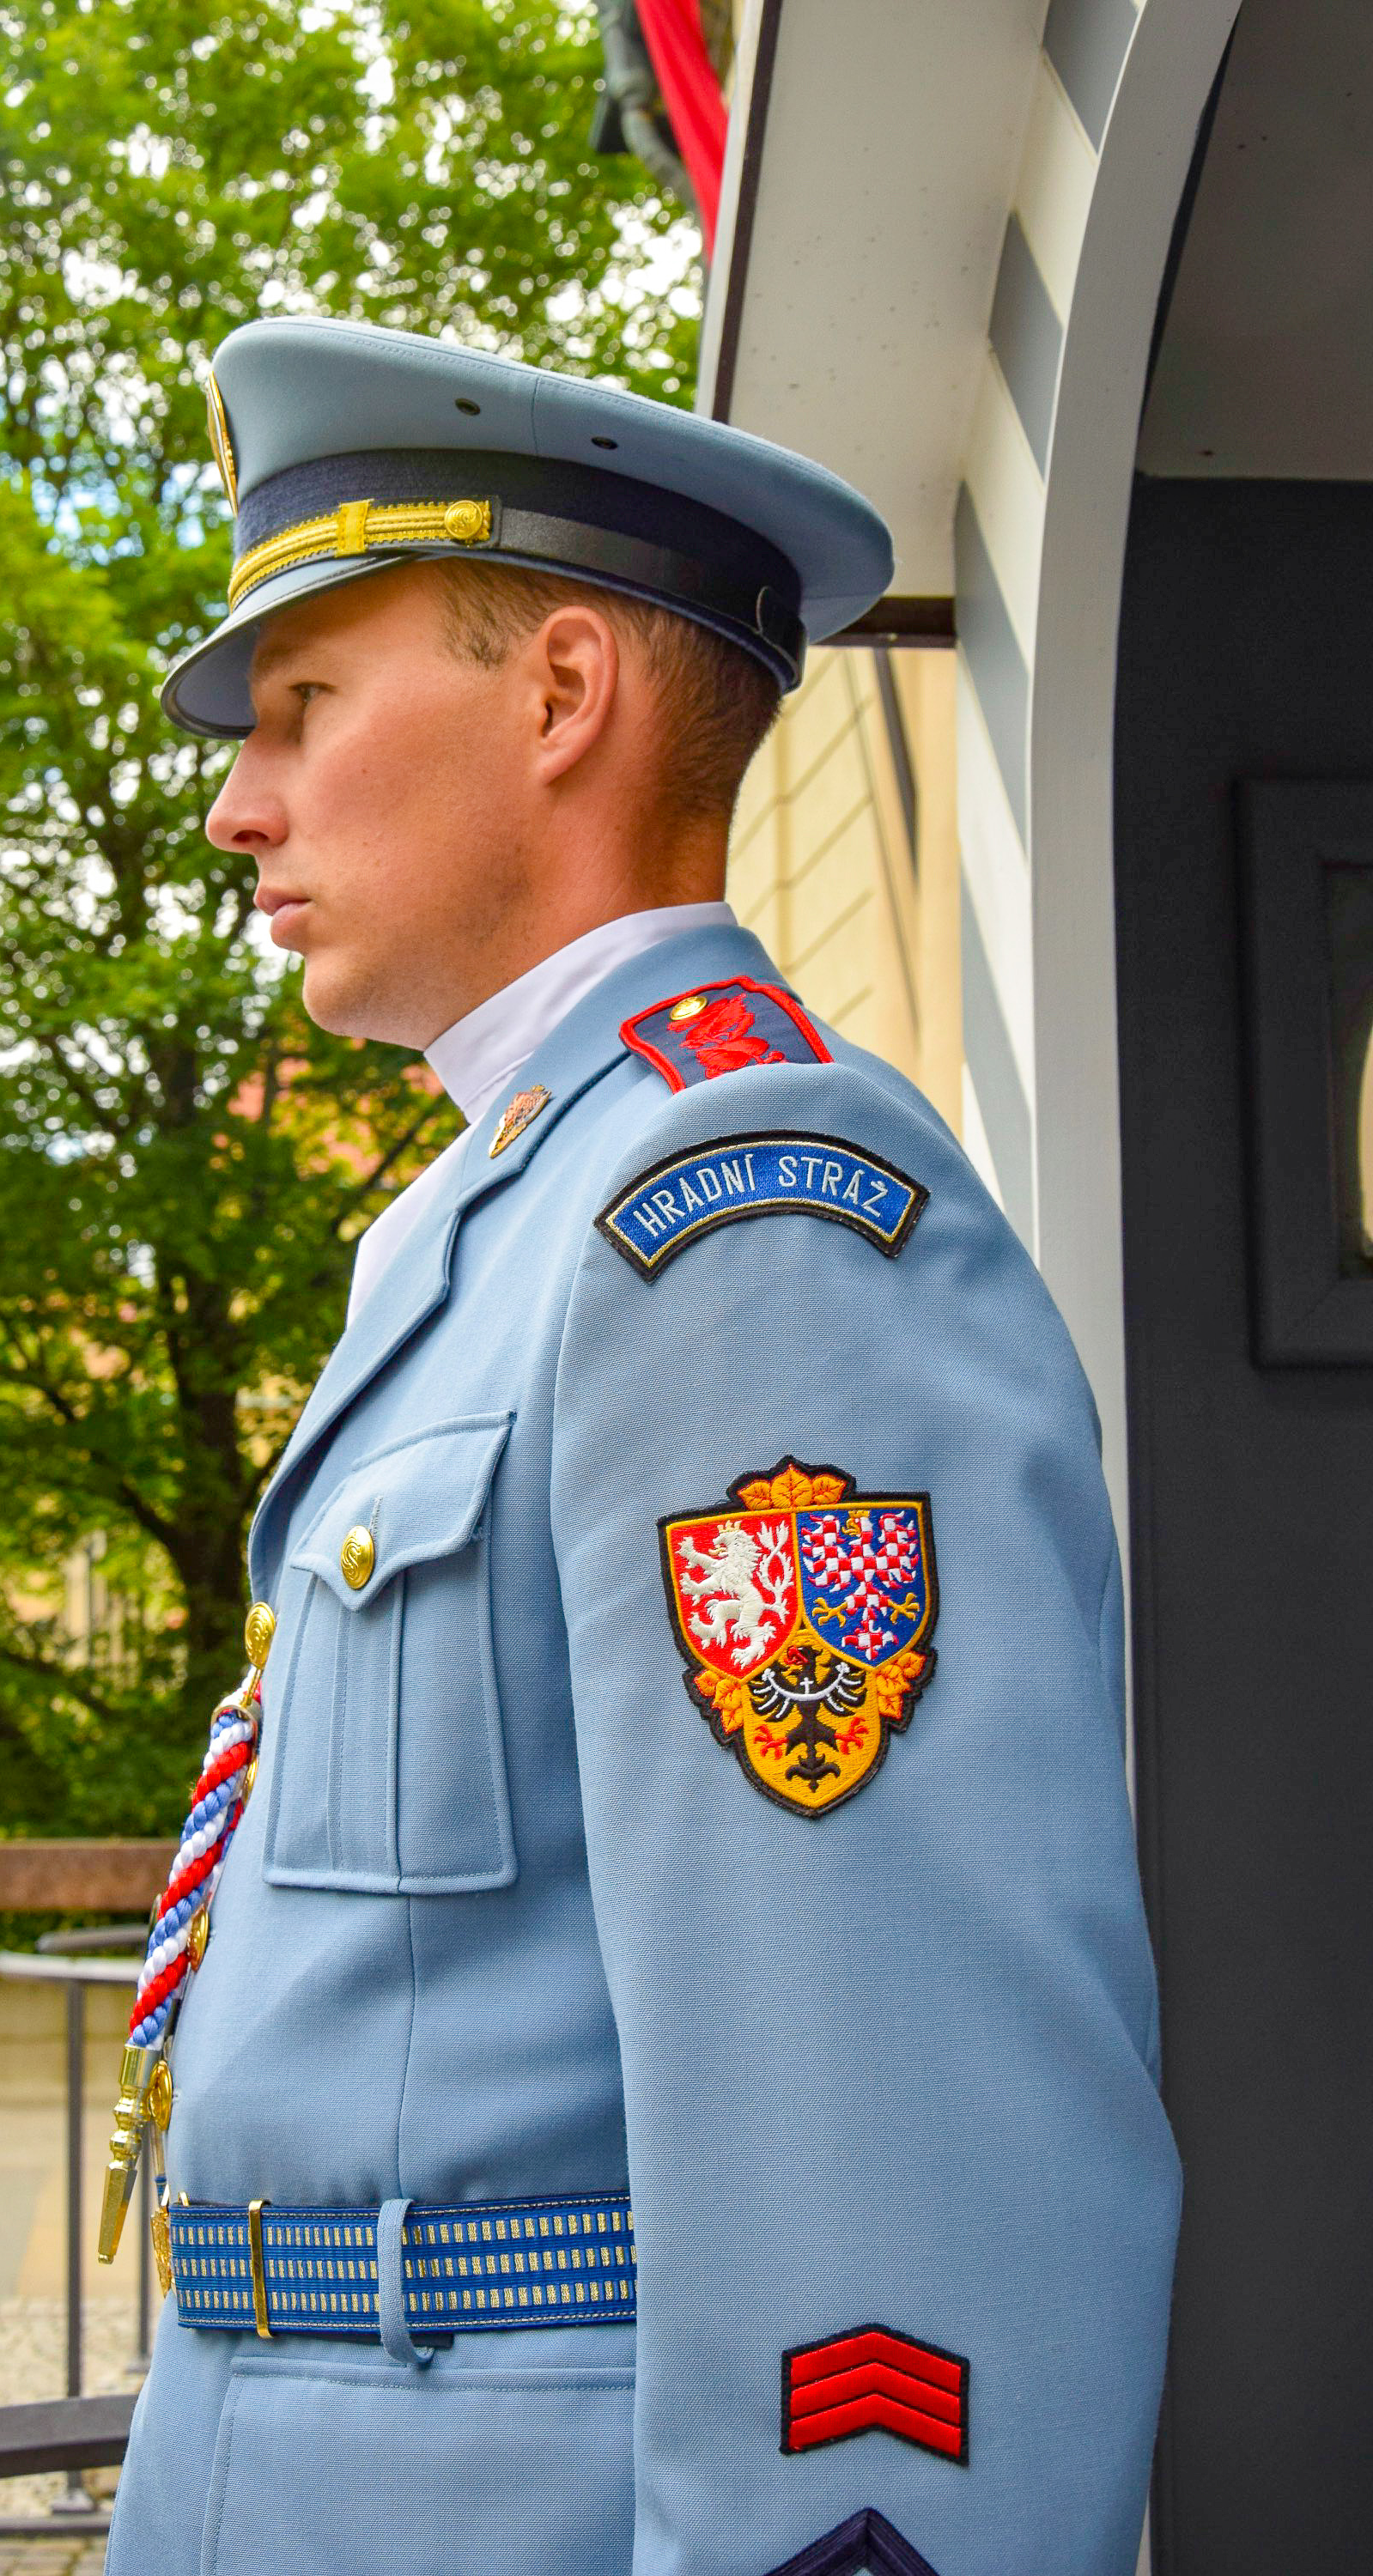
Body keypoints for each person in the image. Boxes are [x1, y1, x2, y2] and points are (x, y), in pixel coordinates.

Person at [100, 317, 1180, 2576]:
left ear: (562, 695)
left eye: (301, 707)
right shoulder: (497, 1224)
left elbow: (895, 2129)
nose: (236, 803)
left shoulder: (752, 1215)